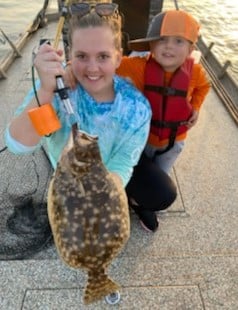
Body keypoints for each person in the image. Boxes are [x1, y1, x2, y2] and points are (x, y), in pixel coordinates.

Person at [4, 3, 177, 234]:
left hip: (109, 165)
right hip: (68, 170)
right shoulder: (55, 89)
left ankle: (132, 201)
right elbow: (17, 145)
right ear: (69, 56)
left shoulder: (135, 106)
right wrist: (45, 90)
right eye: (82, 56)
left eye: (103, 56)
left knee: (162, 193)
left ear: (118, 57)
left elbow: (124, 159)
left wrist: (106, 195)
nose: (92, 68)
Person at [65, 9, 210, 232]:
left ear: (191, 49)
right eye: (161, 40)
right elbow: (105, 61)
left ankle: (140, 203)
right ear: (150, 45)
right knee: (128, 168)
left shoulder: (197, 73)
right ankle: (123, 190)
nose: (169, 47)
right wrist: (70, 67)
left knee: (161, 178)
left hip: (173, 142)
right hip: (139, 140)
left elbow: (203, 87)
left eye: (178, 41)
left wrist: (197, 107)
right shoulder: (137, 66)